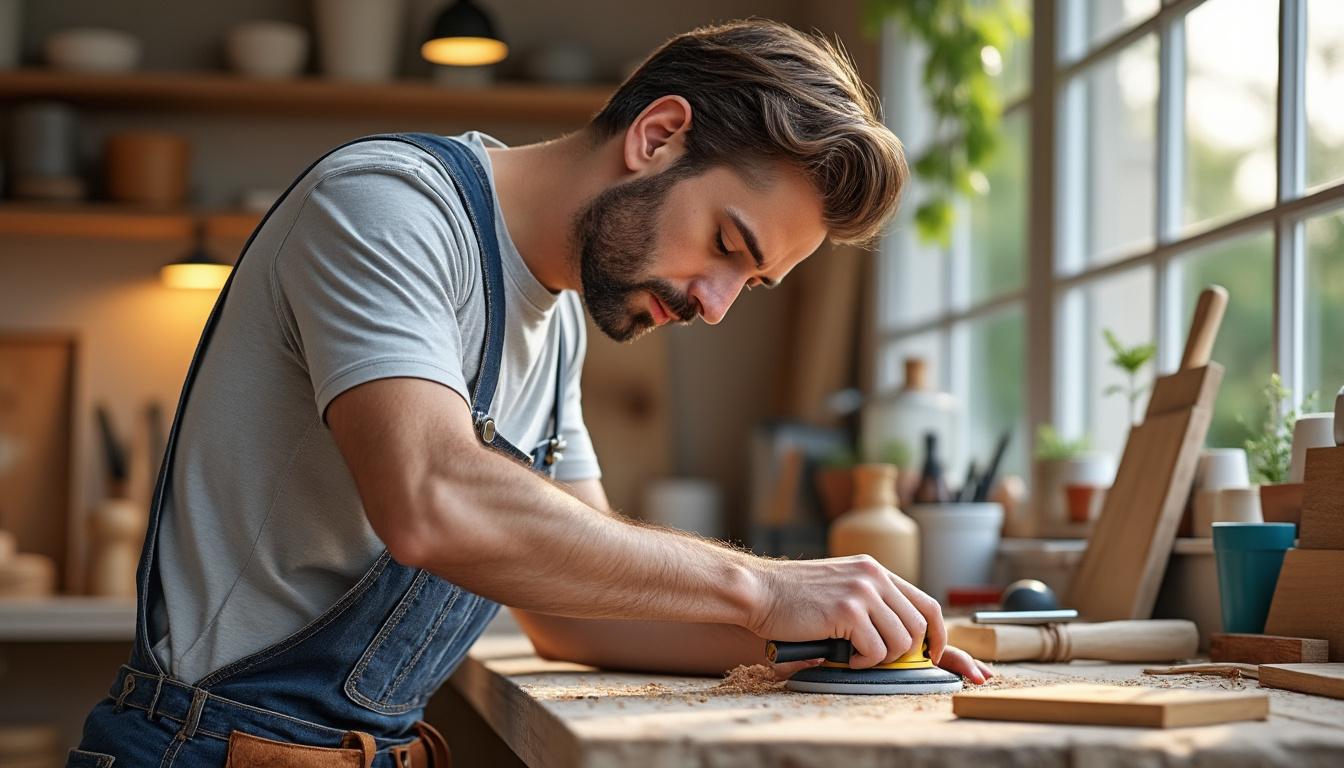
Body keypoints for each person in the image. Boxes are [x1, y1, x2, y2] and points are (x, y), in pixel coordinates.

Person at [70, 19, 990, 768]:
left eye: (748, 286)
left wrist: (835, 644)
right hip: (203, 751)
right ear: (658, 135)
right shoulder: (387, 205)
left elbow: (576, 608)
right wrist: (760, 585)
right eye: (727, 246)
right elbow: (430, 499)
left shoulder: (554, 327)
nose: (714, 307)